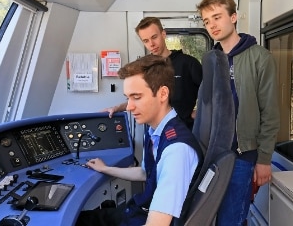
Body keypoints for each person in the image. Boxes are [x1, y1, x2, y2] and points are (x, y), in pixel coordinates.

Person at [77, 55, 203, 226]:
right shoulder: (155, 131)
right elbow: (146, 173)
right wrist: (106, 169)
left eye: (136, 97)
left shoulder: (176, 151)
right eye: (128, 98)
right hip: (138, 211)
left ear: (163, 94)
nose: (129, 107)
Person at [196, 0, 280, 225]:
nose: (212, 25)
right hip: (213, 153)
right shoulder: (210, 60)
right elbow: (205, 106)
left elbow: (270, 113)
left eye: (217, 17)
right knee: (208, 215)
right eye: (206, 21)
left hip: (243, 156)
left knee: (231, 220)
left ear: (233, 17)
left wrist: (264, 159)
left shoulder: (259, 57)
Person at [104, 17, 202, 130]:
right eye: (146, 41)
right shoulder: (144, 67)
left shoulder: (188, 63)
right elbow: (139, 98)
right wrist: (116, 108)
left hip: (183, 129)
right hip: (153, 131)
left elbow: (210, 94)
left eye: (154, 37)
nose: (151, 44)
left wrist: (199, 114)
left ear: (163, 34)